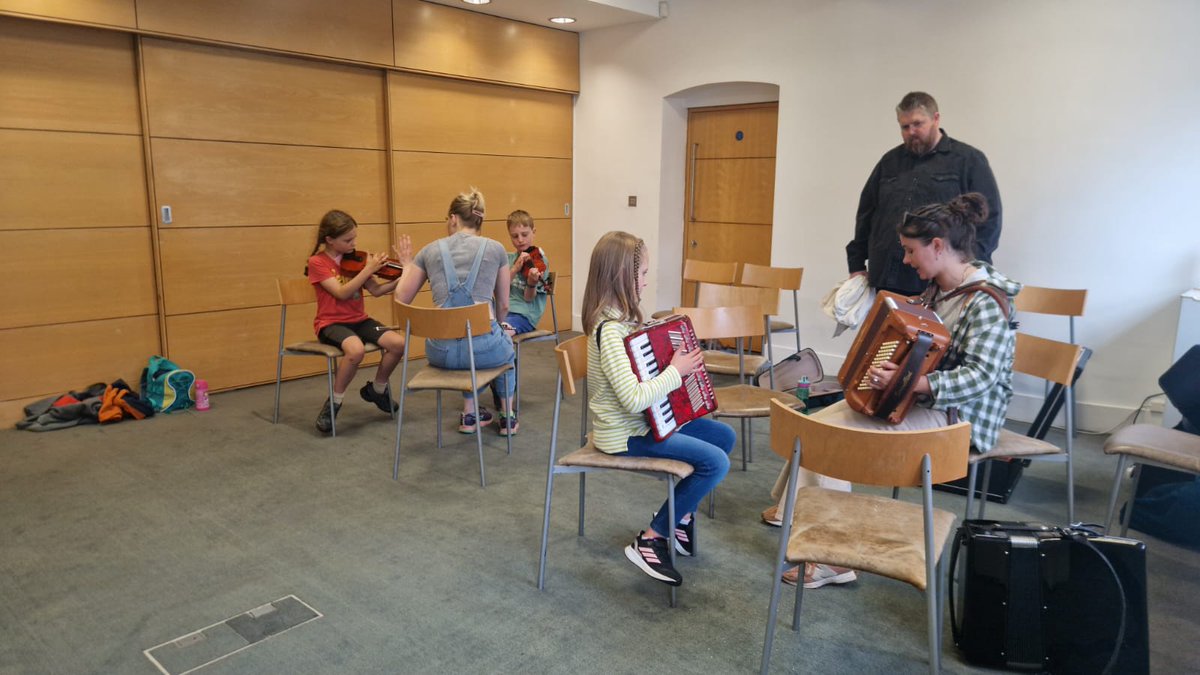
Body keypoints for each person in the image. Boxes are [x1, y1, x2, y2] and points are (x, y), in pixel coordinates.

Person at [765, 192, 1020, 588]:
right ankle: (794, 509)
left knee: (834, 438)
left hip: (961, 420)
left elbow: (981, 377)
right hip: (923, 401)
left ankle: (835, 556)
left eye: (910, 251)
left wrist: (913, 382)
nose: (905, 260)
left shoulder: (984, 302)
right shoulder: (939, 290)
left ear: (938, 246)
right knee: (818, 423)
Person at [582, 231, 736, 587]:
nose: (647, 281)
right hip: (624, 435)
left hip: (643, 423)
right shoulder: (611, 332)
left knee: (722, 436)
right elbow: (634, 399)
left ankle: (677, 517)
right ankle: (651, 538)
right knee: (716, 463)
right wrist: (674, 371)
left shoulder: (622, 322)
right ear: (622, 277)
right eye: (643, 274)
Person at [846, 92, 1002, 296]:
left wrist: (967, 269)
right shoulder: (889, 162)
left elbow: (989, 219)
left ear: (936, 119)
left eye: (918, 124)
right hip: (887, 276)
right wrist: (856, 263)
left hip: (939, 284)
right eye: (905, 127)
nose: (911, 131)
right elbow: (866, 213)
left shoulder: (968, 160)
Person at [392, 188, 519, 435]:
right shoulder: (496, 250)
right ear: (479, 219)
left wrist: (407, 265)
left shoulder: (429, 251)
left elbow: (401, 298)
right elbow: (504, 305)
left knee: (466, 343)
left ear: (453, 218)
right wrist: (498, 328)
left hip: (440, 353)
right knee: (504, 349)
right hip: (485, 351)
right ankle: (507, 418)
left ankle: (470, 415)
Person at [306, 209, 406, 434]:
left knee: (398, 343)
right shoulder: (317, 262)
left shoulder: (356, 260)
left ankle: (378, 390)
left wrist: (404, 277)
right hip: (331, 324)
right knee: (355, 350)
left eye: (355, 238)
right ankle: (334, 403)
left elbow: (378, 290)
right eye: (348, 240)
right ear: (330, 240)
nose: (354, 243)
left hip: (360, 320)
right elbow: (341, 293)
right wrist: (369, 269)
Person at [500, 210, 551, 338]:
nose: (520, 240)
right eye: (515, 236)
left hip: (525, 315)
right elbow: (500, 289)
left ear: (533, 232)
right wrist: (515, 269)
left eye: (524, 234)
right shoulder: (509, 259)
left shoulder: (540, 262)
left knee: (500, 332)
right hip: (503, 311)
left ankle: (508, 358)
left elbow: (529, 298)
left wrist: (532, 283)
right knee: (481, 328)